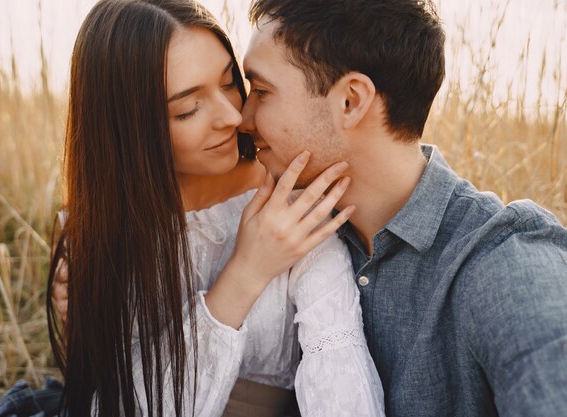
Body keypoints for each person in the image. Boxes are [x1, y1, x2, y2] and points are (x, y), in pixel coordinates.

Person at [48, 1, 384, 417]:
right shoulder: (94, 234)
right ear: (127, 128)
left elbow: (337, 358)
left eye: (231, 83)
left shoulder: (286, 198)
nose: (234, 116)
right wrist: (247, 272)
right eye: (187, 109)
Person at [238, 0, 567, 416]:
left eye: (261, 91)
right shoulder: (278, 236)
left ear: (351, 101)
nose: (242, 118)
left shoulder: (504, 264)